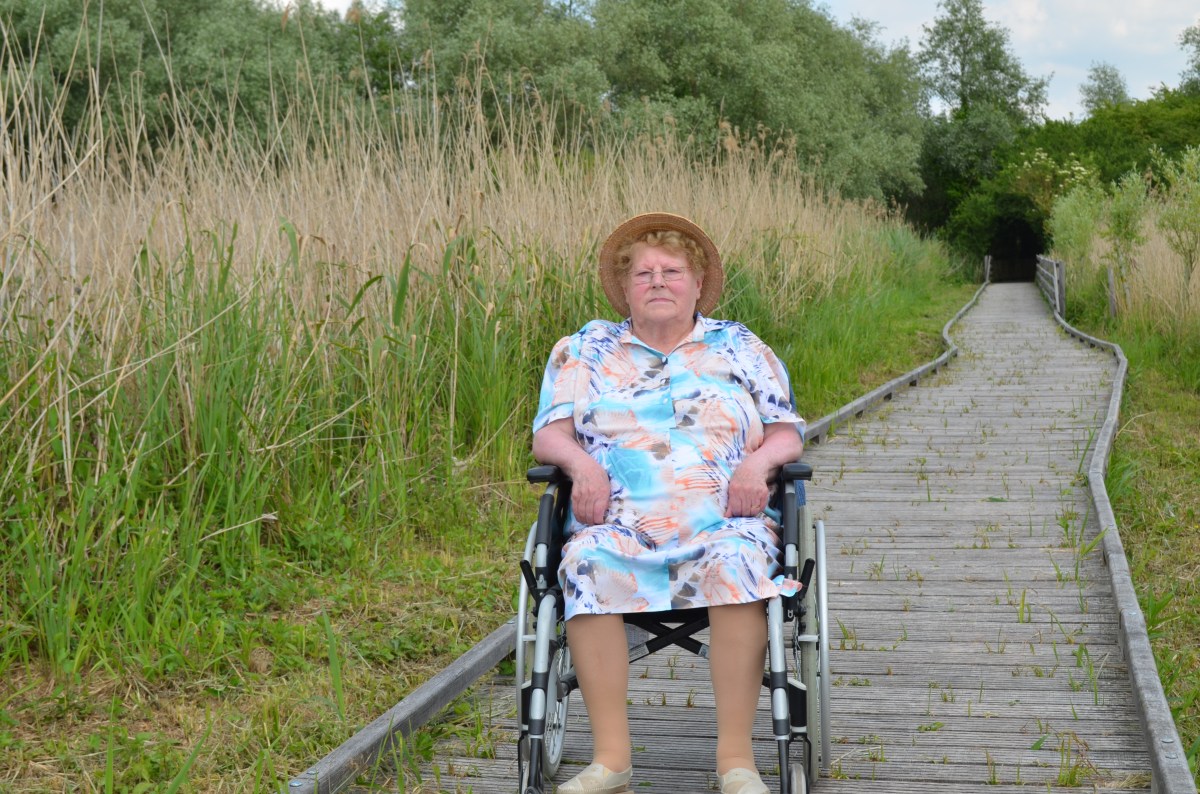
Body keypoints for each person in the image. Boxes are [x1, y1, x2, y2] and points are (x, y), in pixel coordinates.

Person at [531, 213, 806, 794]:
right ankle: (612, 760)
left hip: (724, 521)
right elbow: (549, 435)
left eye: (672, 272)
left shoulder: (740, 345)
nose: (658, 282)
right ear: (625, 287)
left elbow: (786, 431)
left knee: (735, 564)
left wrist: (758, 464)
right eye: (644, 273)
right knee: (586, 563)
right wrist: (580, 465)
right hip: (621, 522)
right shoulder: (585, 348)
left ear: (698, 283)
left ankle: (736, 762)